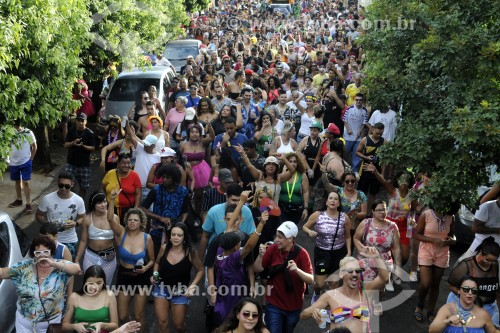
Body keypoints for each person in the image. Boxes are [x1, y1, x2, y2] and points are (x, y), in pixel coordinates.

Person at [0, 235, 81, 333]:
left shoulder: (60, 266)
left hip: (51, 324)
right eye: (38, 253)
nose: (42, 255)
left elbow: (77, 269)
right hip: (24, 323)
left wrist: (53, 264)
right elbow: (3, 273)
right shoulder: (23, 267)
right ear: (33, 254)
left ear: (52, 252)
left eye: (46, 252)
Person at [209, 193, 268, 327]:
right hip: (232, 304)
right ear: (235, 247)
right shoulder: (232, 261)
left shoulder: (220, 250)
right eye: (238, 242)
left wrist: (241, 202)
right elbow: (249, 246)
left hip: (221, 301)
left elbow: (229, 226)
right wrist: (262, 224)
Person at [300, 249, 389, 333]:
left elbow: (383, 278)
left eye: (357, 271)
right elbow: (303, 315)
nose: (354, 274)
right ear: (341, 274)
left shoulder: (366, 290)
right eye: (350, 271)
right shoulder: (331, 296)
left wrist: (377, 258)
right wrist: (315, 312)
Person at [107, 191, 154, 332]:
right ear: (126, 221)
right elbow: (110, 219)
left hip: (141, 276)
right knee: (122, 315)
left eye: (136, 220)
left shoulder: (147, 238)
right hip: (124, 275)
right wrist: (112, 200)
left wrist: (146, 268)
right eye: (130, 220)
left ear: (141, 222)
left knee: (138, 315)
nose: (132, 222)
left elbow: (152, 260)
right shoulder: (121, 233)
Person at [258, 221, 314, 333]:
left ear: (290, 239)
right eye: (276, 236)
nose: (276, 240)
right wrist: (261, 254)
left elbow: (311, 280)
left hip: (294, 306)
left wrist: (297, 270)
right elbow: (262, 267)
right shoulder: (272, 249)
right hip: (274, 303)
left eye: (280, 237)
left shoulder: (302, 253)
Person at [152, 222, 204, 333]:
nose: (176, 238)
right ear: (169, 236)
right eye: (173, 234)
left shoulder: (190, 252)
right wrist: (154, 274)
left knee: (178, 326)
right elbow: (157, 263)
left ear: (184, 237)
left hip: (180, 292)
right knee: (162, 322)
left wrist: (192, 286)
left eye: (179, 235)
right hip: (161, 288)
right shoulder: (164, 248)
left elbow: (200, 270)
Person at [363, 164, 416, 269]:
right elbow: (383, 182)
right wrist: (375, 171)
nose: (403, 183)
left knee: (405, 256)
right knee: (389, 252)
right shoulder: (393, 191)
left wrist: (413, 219)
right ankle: (386, 273)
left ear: (409, 182)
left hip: (403, 227)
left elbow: (413, 210)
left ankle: (392, 270)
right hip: (390, 224)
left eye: (406, 180)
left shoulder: (412, 195)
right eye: (401, 179)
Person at [303, 190, 352, 302]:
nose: (333, 201)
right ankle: (316, 292)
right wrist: (309, 232)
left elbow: (348, 236)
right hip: (322, 252)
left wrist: (348, 252)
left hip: (338, 252)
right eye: (330, 198)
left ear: (339, 203)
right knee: (320, 284)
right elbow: (305, 227)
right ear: (326, 201)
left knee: (334, 283)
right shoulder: (318, 215)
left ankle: (329, 305)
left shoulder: (344, 217)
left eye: (336, 199)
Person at [413, 204, 457, 323]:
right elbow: (416, 234)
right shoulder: (426, 214)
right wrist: (433, 240)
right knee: (425, 283)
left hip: (442, 253)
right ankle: (420, 305)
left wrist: (451, 241)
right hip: (426, 251)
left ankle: (431, 311)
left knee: (435, 284)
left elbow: (452, 235)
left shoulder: (450, 217)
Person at [447, 237, 500, 326]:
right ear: (481, 253)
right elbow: (450, 285)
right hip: (464, 306)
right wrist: (470, 298)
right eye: (487, 260)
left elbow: (498, 292)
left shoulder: (495, 265)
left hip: (488, 307)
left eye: (493, 261)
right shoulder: (466, 265)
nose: (490, 263)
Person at [140, 164, 189, 256]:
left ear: (175, 178)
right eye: (163, 177)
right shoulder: (156, 190)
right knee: (154, 255)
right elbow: (143, 208)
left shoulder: (183, 191)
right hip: (156, 230)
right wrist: (160, 218)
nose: (164, 180)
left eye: (168, 177)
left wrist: (181, 224)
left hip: (175, 233)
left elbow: (185, 211)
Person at [353, 200, 402, 293]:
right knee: (366, 290)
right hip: (367, 260)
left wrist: (398, 267)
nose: (382, 212)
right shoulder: (365, 223)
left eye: (384, 209)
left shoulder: (392, 226)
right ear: (373, 211)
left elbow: (396, 248)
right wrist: (361, 249)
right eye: (379, 210)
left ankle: (375, 306)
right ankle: (365, 306)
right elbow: (356, 238)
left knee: (380, 291)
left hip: (384, 262)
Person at [36, 172, 86, 259]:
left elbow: (83, 217)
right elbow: (38, 215)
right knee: (49, 265)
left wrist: (75, 223)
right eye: (61, 185)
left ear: (72, 184)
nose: (63, 189)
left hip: (69, 239)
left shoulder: (78, 200)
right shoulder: (47, 198)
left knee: (67, 266)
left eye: (67, 186)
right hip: (50, 239)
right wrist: (48, 224)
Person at [75, 192, 117, 286]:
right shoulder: (87, 218)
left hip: (109, 257)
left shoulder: (114, 218)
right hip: (91, 256)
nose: (103, 205)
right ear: (93, 205)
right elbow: (83, 240)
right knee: (89, 285)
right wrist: (77, 259)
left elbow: (118, 239)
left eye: (105, 201)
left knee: (105, 286)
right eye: (99, 203)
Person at [429, 276, 497, 333]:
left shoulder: (483, 314)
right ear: (459, 290)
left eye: (474, 290)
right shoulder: (447, 309)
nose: (470, 293)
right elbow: (432, 330)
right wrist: (447, 321)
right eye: (466, 289)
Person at [62, 265, 119, 333]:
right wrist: (75, 326)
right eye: (91, 283)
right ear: (85, 282)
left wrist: (102, 325)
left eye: (99, 283)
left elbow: (115, 325)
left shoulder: (109, 295)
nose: (95, 287)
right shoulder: (74, 297)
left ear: (104, 282)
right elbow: (64, 326)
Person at [102, 152, 142, 224]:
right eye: (123, 163)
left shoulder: (135, 175)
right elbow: (103, 187)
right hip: (111, 209)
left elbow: (138, 193)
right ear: (118, 163)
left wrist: (135, 209)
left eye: (128, 163)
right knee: (111, 229)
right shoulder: (110, 173)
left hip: (128, 210)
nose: (126, 165)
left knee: (126, 231)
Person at [63, 112, 96, 197]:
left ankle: (79, 202)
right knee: (68, 183)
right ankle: (71, 199)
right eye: (78, 120)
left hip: (84, 164)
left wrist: (83, 146)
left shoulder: (90, 133)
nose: (80, 123)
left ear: (86, 122)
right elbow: (66, 145)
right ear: (76, 121)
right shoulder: (71, 130)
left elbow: (93, 148)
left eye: (82, 121)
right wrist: (73, 142)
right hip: (71, 163)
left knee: (83, 187)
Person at [7, 119, 37, 213]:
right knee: (17, 181)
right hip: (14, 162)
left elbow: (34, 146)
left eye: (16, 124)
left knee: (25, 182)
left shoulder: (28, 132)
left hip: (25, 161)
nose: (15, 126)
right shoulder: (10, 133)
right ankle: (19, 200)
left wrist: (31, 159)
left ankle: (28, 204)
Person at [459, 197, 500, 261]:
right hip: (481, 249)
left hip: (497, 255)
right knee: (463, 266)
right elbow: (475, 228)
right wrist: (496, 230)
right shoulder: (487, 207)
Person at [278, 152, 309, 224]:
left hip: (297, 208)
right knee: (284, 229)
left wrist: (306, 208)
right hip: (282, 207)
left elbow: (306, 192)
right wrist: (283, 172)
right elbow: (276, 189)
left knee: (292, 231)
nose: (293, 164)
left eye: (295, 161)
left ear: (298, 163)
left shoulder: (302, 175)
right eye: (290, 161)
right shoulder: (280, 175)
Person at [342, 93, 368, 174]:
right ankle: (344, 168)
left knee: (356, 154)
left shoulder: (365, 110)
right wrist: (348, 129)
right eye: (357, 100)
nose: (358, 101)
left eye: (360, 100)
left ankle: (355, 170)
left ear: (362, 101)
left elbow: (364, 123)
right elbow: (344, 120)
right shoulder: (349, 109)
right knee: (345, 152)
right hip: (348, 136)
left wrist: (360, 132)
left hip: (358, 137)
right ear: (354, 100)